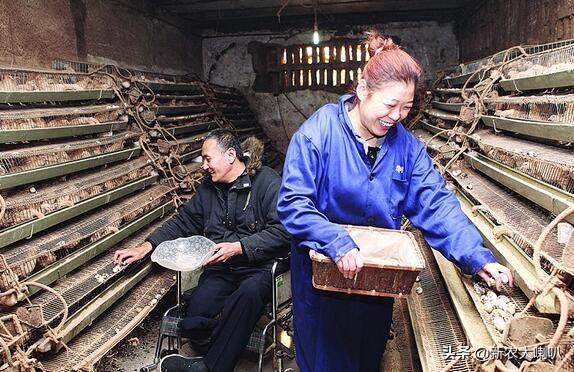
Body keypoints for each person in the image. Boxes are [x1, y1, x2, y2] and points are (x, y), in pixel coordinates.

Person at [276, 30, 514, 372]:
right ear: (361, 90)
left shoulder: (406, 147)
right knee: (327, 362)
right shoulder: (318, 135)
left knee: (366, 358)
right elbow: (293, 204)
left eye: (406, 107)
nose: (397, 116)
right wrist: (336, 242)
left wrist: (478, 258)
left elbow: (435, 202)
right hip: (324, 279)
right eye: (390, 105)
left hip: (377, 280)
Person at [114, 129, 290, 372]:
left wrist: (240, 247)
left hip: (258, 268)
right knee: (195, 318)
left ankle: (211, 367)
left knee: (247, 296)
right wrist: (146, 247)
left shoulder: (268, 183)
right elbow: (183, 221)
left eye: (208, 158)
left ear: (230, 155)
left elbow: (284, 231)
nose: (204, 166)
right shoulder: (209, 189)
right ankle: (227, 332)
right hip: (222, 267)